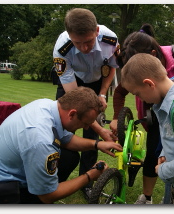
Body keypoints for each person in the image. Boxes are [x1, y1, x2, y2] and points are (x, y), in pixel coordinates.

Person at [0, 87, 123, 204]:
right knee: (47, 193)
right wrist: (89, 176)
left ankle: (43, 186)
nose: (87, 128)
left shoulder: (48, 106)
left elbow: (66, 139)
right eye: (85, 123)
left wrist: (97, 144)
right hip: (0, 187)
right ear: (72, 114)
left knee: (70, 157)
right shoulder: (40, 139)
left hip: (5, 167)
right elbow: (47, 196)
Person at [121, 53, 174, 204]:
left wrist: (161, 170)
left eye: (138, 94)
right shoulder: (166, 104)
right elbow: (173, 137)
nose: (141, 99)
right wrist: (164, 153)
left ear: (149, 84)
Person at [110, 26, 174, 204]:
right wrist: (115, 118)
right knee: (154, 153)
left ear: (152, 55)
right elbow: (120, 91)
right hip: (155, 116)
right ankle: (147, 197)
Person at [52, 8, 119, 198]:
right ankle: (55, 179)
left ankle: (87, 180)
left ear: (97, 31)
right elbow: (75, 102)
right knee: (63, 129)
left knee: (91, 138)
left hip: (98, 82)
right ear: (69, 37)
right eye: (77, 43)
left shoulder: (110, 39)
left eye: (88, 41)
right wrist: (101, 129)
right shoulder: (61, 47)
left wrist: (103, 94)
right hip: (73, 82)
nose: (84, 48)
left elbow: (111, 68)